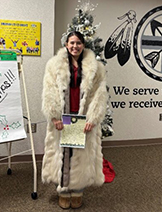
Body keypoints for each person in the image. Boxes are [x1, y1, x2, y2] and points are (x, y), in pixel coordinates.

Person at [41, 31, 108, 209]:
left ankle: (77, 190)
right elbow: (49, 90)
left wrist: (93, 118)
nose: (75, 46)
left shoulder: (96, 68)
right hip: (63, 119)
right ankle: (63, 190)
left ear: (83, 45)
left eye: (78, 43)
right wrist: (54, 116)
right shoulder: (54, 65)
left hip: (82, 119)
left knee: (80, 156)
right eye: (71, 43)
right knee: (63, 154)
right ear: (66, 44)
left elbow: (99, 95)